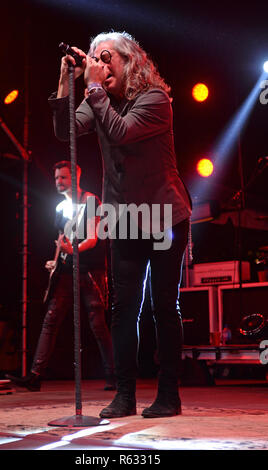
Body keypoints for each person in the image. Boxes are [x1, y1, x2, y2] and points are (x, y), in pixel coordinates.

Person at [48, 31, 192, 418]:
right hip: (124, 216)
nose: (99, 64)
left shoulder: (155, 99)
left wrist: (93, 88)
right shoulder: (100, 101)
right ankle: (124, 395)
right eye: (95, 58)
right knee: (123, 308)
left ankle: (169, 395)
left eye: (106, 57)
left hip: (163, 214)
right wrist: (67, 79)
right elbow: (65, 132)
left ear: (130, 61)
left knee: (164, 305)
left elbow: (122, 132)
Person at [7, 160, 115, 391]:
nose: (59, 182)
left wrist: (71, 250)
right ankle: (35, 376)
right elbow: (60, 239)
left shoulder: (91, 200)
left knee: (97, 324)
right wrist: (55, 261)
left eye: (63, 177)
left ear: (76, 177)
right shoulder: (59, 207)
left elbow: (93, 238)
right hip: (66, 270)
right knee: (51, 319)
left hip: (91, 270)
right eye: (57, 178)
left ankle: (113, 375)